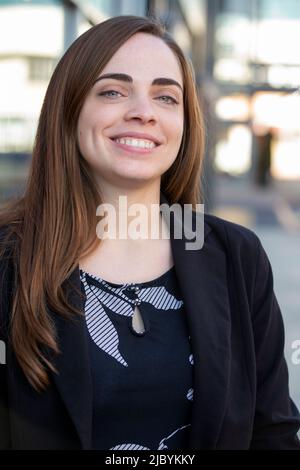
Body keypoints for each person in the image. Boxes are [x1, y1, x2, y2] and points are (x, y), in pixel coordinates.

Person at [0, 15, 299, 451]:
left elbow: (272, 434)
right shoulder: (8, 260)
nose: (143, 112)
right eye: (113, 91)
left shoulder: (238, 256)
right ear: (69, 109)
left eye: (165, 97)